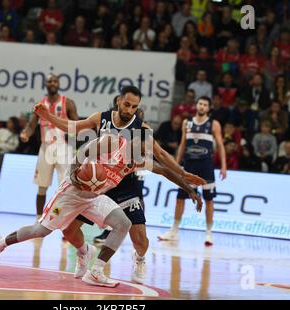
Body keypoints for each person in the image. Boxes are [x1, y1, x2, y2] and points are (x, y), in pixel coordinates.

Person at [0, 126, 202, 288]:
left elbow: (163, 170)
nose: (146, 151)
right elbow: (80, 154)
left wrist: (189, 189)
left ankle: (95, 270)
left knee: (122, 223)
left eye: (147, 148)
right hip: (71, 192)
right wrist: (77, 174)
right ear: (134, 140)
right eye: (144, 145)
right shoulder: (112, 142)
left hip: (94, 197)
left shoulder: (138, 160)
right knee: (41, 231)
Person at [28, 86, 205, 284]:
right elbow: (71, 126)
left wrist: (183, 174)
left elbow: (161, 156)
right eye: (127, 105)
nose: (130, 110)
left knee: (140, 241)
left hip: (126, 184)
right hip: (98, 183)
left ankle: (139, 258)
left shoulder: (142, 129)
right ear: (119, 101)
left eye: (134, 107)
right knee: (69, 230)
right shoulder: (101, 118)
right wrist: (48, 116)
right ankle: (84, 253)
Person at [158, 96, 227, 246]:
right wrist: (175, 165)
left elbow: (220, 146)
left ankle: (209, 233)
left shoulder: (213, 124)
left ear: (208, 108)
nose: (202, 107)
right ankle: (174, 231)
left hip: (206, 165)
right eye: (200, 104)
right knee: (180, 197)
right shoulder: (186, 122)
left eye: (205, 105)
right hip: (189, 164)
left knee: (209, 199)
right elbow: (182, 144)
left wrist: (223, 166)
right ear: (197, 106)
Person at [20, 74, 79, 218]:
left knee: (65, 187)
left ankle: (62, 218)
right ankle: (39, 219)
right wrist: (25, 134)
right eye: (49, 81)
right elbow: (31, 125)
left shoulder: (68, 103)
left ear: (59, 84)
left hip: (63, 148)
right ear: (45, 84)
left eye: (55, 81)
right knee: (42, 186)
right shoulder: (40, 104)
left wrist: (72, 135)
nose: (52, 83)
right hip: (45, 148)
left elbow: (77, 125)